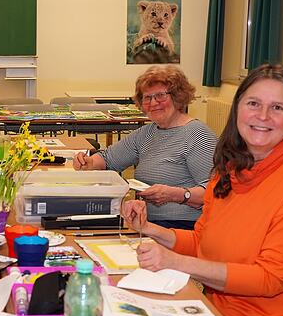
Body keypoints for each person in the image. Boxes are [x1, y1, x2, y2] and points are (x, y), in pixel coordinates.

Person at [121, 64, 283, 316]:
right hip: (212, 313)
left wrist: (176, 262)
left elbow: (270, 279)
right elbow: (203, 242)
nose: (262, 116)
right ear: (238, 108)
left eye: (277, 107)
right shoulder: (228, 171)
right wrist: (149, 229)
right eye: (253, 103)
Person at [74, 65, 216, 230]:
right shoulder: (148, 132)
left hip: (186, 228)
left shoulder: (198, 135)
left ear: (178, 97)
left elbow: (214, 193)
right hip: (149, 224)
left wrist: (176, 195)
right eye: (147, 98)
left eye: (160, 96)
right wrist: (89, 162)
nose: (153, 103)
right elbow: (109, 159)